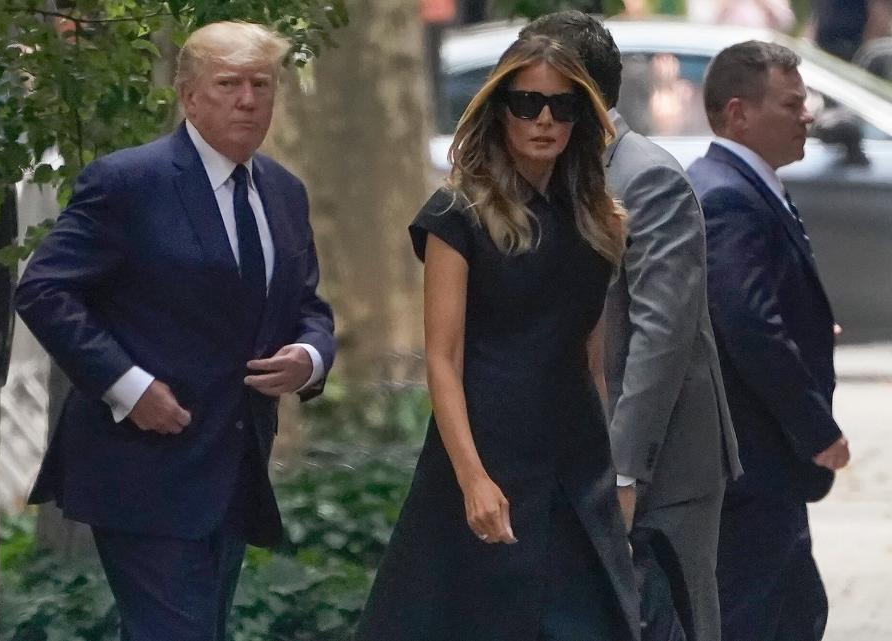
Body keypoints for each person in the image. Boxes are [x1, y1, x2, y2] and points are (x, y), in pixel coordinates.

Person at [14, 21, 336, 641]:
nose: (248, 100)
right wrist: (128, 388)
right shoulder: (130, 182)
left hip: (234, 467)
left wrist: (309, 356)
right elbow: (44, 288)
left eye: (261, 85)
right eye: (229, 84)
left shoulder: (282, 192)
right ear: (190, 97)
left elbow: (306, 305)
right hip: (142, 469)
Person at [353, 34, 640, 641]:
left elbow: (592, 359)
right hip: (488, 452)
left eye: (563, 107)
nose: (544, 119)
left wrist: (612, 470)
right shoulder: (456, 215)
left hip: (576, 460)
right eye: (526, 102)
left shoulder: (600, 221)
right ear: (498, 109)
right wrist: (472, 478)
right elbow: (442, 358)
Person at [520, 12, 742, 641]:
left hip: (660, 474)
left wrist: (622, 475)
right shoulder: (549, 176)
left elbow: (659, 338)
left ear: (585, 97)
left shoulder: (647, 178)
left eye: (548, 98)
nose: (535, 114)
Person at [687, 41, 851, 641]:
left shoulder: (740, 184)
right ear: (739, 113)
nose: (806, 116)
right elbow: (746, 323)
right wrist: (817, 429)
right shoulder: (728, 195)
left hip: (758, 461)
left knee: (793, 607)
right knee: (765, 614)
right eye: (791, 103)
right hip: (753, 458)